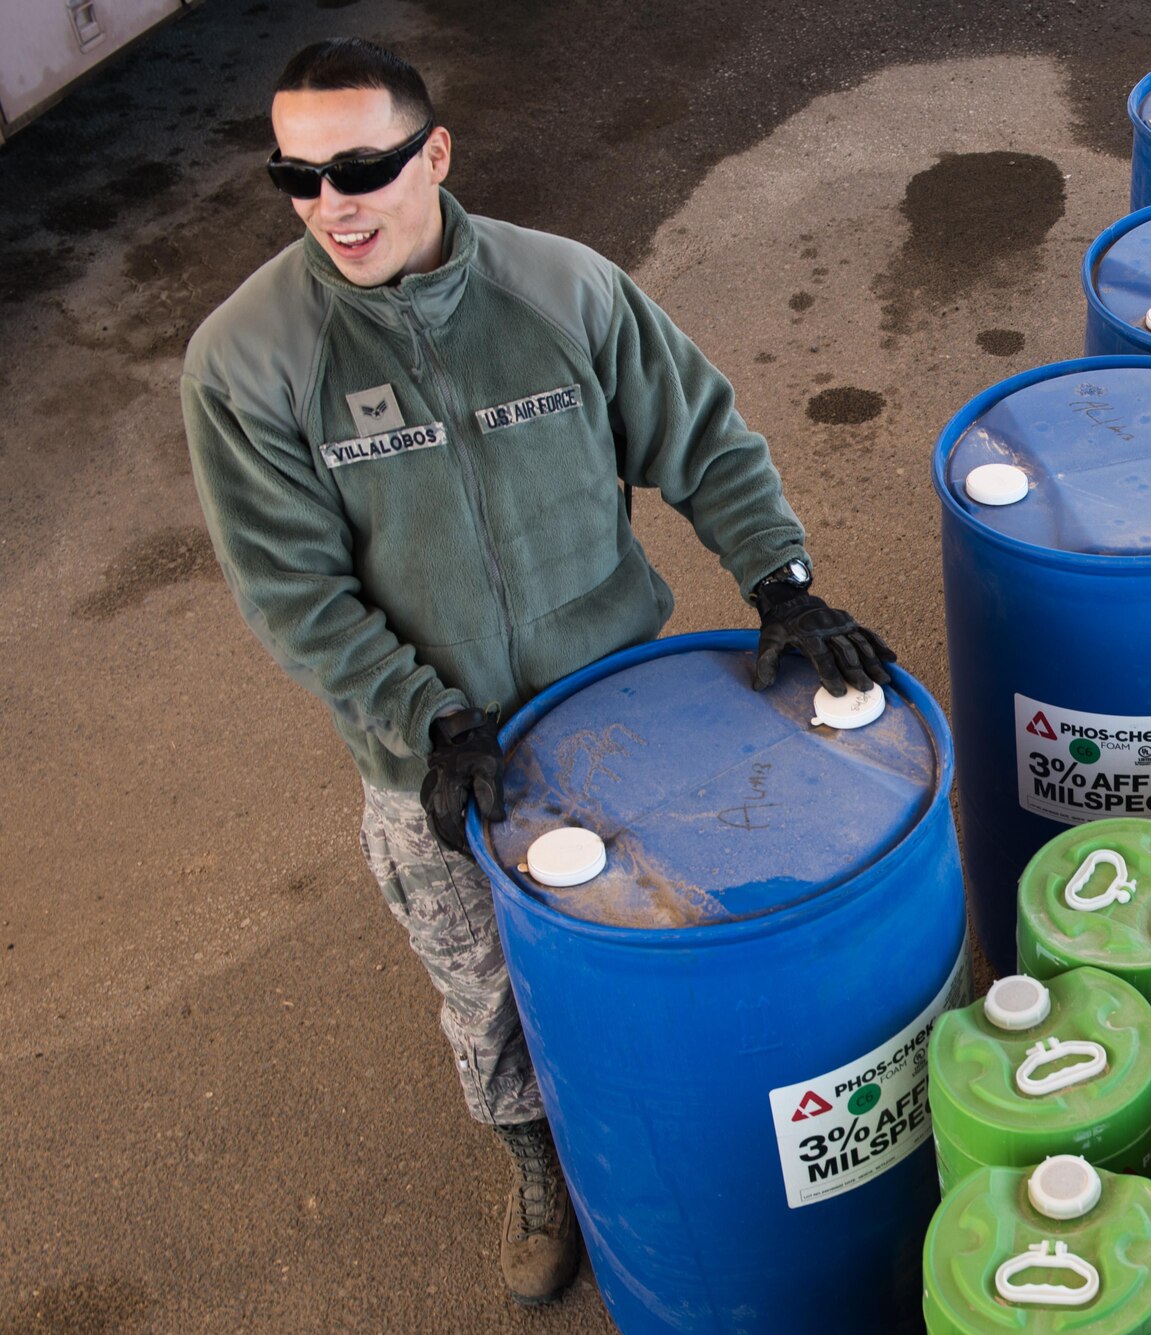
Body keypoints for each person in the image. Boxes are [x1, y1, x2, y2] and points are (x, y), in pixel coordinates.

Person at [181, 36, 893, 1305]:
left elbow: (702, 435)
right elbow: (292, 589)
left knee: (680, 944)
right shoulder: (250, 362)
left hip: (623, 711)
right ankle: (532, 1156)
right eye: (296, 177)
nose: (331, 204)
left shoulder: (562, 291)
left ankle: (687, 1137)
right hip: (439, 756)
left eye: (362, 166)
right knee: (484, 988)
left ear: (434, 153)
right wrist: (425, 720)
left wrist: (780, 582)